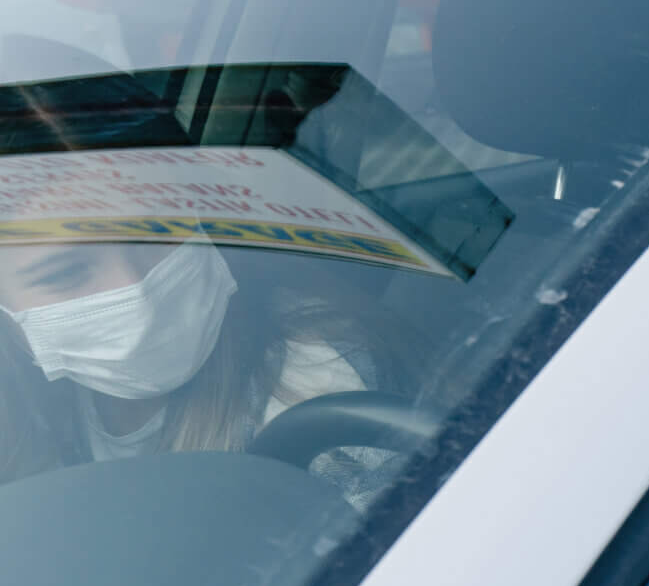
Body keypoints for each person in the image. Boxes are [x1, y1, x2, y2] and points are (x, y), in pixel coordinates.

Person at [0, 83, 398, 497]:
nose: (136, 291)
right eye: (66, 274)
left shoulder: (312, 394)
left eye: (160, 231)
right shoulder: (28, 404)